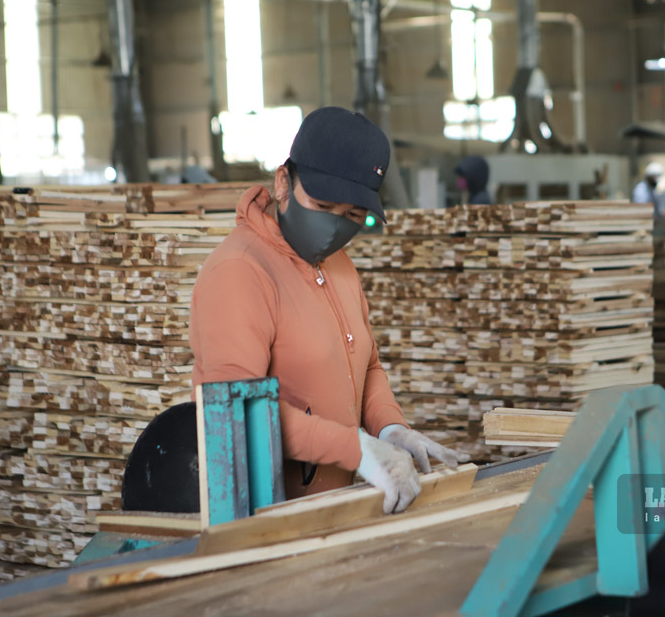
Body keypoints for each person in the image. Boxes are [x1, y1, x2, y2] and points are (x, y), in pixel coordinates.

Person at [190, 106, 469, 514]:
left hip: (331, 508)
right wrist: (354, 448)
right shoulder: (240, 273)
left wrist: (389, 428)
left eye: (353, 216)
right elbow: (237, 416)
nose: (335, 228)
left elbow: (366, 364)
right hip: (261, 515)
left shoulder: (339, 266)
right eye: (322, 207)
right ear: (284, 182)